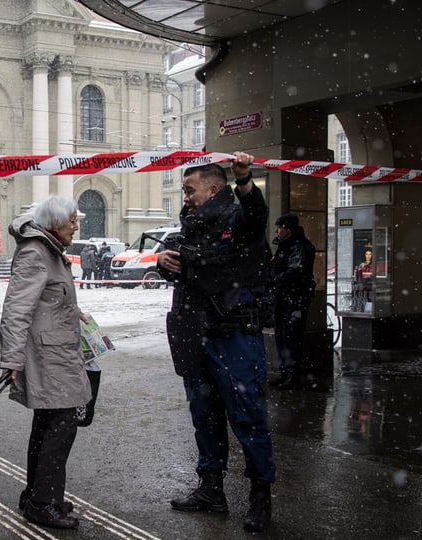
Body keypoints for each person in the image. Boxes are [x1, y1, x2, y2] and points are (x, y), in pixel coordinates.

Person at [156, 152, 275, 533]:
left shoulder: (235, 219)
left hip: (234, 337)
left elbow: (256, 218)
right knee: (204, 416)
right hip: (196, 335)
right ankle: (211, 489)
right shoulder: (191, 225)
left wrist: (245, 181)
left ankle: (260, 496)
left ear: (214, 189)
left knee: (247, 417)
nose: (185, 197)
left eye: (190, 190)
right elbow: (183, 263)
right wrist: (165, 262)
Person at [0, 195, 91, 529]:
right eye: (72, 221)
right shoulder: (36, 252)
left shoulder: (47, 249)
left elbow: (48, 301)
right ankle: (43, 503)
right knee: (60, 427)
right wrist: (11, 358)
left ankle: (39, 494)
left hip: (58, 353)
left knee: (49, 424)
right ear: (55, 223)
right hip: (48, 357)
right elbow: (17, 309)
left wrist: (72, 312)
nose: (75, 226)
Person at [268, 213, 316, 390]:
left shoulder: (298, 247)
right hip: (283, 298)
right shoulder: (285, 246)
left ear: (288, 229)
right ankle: (285, 372)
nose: (276, 230)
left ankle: (292, 374)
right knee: (282, 335)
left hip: (295, 299)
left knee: (291, 336)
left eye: (279, 227)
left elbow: (296, 271)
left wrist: (277, 279)